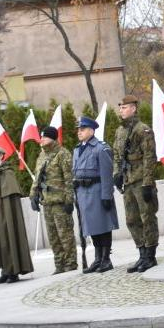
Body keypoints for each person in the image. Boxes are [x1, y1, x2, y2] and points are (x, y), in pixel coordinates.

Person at [113, 95, 160, 273]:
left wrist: (148, 183)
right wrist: (116, 174)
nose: (121, 110)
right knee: (132, 219)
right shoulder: (120, 131)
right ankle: (141, 253)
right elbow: (117, 155)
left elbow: (149, 157)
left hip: (141, 180)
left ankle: (150, 255)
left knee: (147, 217)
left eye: (124, 107)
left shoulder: (143, 130)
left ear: (133, 108)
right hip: (128, 181)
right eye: (120, 107)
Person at [73, 116, 118, 273]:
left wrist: (107, 195)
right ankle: (98, 258)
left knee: (103, 226)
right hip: (83, 193)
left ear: (91, 130)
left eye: (82, 129)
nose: (79, 132)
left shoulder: (101, 148)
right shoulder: (78, 149)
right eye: (78, 129)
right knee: (92, 227)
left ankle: (106, 259)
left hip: (97, 191)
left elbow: (107, 174)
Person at [29, 126, 77, 274]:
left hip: (60, 202)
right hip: (47, 202)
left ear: (52, 138)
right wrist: (33, 195)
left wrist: (69, 200)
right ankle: (59, 264)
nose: (41, 139)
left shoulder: (63, 154)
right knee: (53, 236)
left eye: (44, 137)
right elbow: (37, 177)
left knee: (65, 234)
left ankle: (70, 263)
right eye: (41, 137)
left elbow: (69, 179)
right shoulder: (42, 155)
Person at [0, 146, 34, 284]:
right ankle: (5, 271)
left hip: (8, 213)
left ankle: (14, 272)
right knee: (1, 239)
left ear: (1, 156)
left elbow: (10, 198)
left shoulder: (7, 173)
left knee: (11, 236)